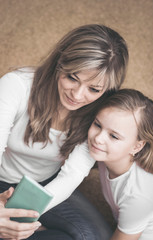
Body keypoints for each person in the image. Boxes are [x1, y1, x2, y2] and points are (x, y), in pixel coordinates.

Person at [0, 24, 128, 239]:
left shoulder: (99, 116)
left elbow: (72, 175)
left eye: (94, 89)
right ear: (59, 64)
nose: (77, 95)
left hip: (45, 185)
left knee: (93, 236)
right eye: (72, 78)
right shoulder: (16, 85)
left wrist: (23, 217)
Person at [87, 88, 153, 240]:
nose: (98, 138)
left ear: (137, 147)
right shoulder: (108, 152)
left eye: (113, 136)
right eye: (97, 125)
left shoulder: (139, 194)